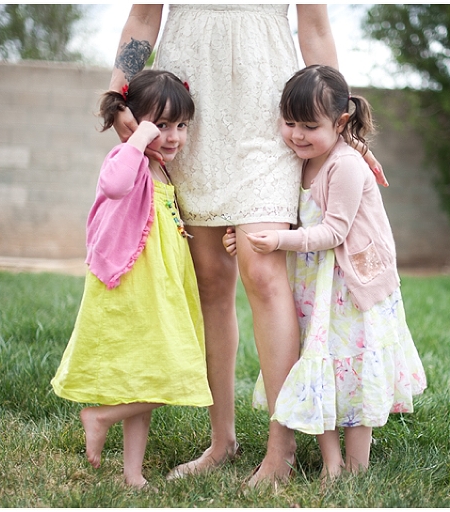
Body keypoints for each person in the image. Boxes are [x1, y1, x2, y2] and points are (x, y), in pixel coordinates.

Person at [108, 4, 387, 487]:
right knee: (211, 281)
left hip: (269, 107)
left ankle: (281, 448)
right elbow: (143, 18)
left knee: (263, 269)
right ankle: (222, 442)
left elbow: (316, 28)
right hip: (191, 107)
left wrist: (338, 127)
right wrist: (117, 94)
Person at [224, 65, 427, 484]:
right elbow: (289, 218)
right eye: (290, 123)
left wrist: (277, 242)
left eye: (309, 126)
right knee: (322, 369)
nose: (297, 135)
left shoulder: (345, 165)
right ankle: (331, 463)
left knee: (352, 371)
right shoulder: (297, 162)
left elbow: (334, 231)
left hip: (351, 291)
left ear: (340, 122)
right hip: (316, 286)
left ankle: (356, 465)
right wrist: (248, 238)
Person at [50, 69, 212, 489]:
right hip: (133, 286)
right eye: (162, 125)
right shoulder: (131, 160)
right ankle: (99, 416)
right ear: (136, 123)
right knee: (169, 373)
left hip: (161, 288)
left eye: (181, 126)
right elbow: (114, 185)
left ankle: (133, 474)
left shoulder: (162, 169)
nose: (173, 137)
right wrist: (138, 137)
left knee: (147, 375)